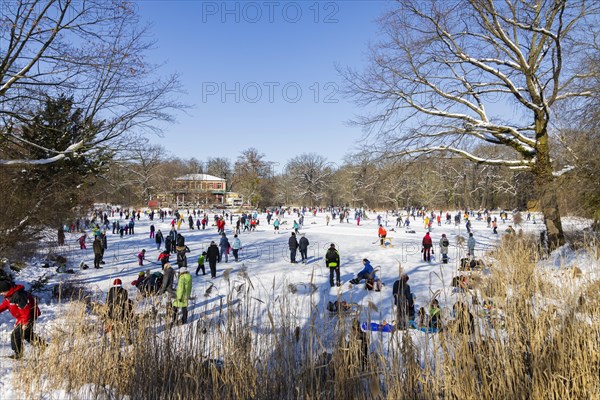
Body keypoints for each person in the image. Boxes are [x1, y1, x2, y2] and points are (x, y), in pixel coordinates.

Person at [0, 280, 46, 359]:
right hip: (23, 317)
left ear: (6, 290)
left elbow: (25, 310)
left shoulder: (18, 295)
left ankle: (18, 354)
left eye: (1, 292)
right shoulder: (9, 296)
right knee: (27, 334)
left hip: (28, 317)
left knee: (16, 335)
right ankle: (42, 345)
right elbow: (5, 305)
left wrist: (25, 323)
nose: (1, 294)